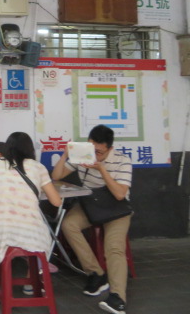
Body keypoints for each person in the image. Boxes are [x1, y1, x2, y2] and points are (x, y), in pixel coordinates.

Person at [52, 125, 132, 314]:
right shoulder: (83, 156)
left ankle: (118, 297)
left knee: (114, 248)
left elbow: (120, 194)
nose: (94, 155)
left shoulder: (123, 161)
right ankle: (96, 273)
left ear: (110, 148)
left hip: (116, 208)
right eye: (91, 149)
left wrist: (101, 169)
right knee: (68, 225)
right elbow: (56, 176)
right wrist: (65, 155)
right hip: (91, 204)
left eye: (99, 152)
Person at [0, 132, 62, 267]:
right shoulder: (38, 167)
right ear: (30, 149)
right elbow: (57, 202)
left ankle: (8, 273)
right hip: (31, 233)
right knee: (41, 240)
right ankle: (34, 275)